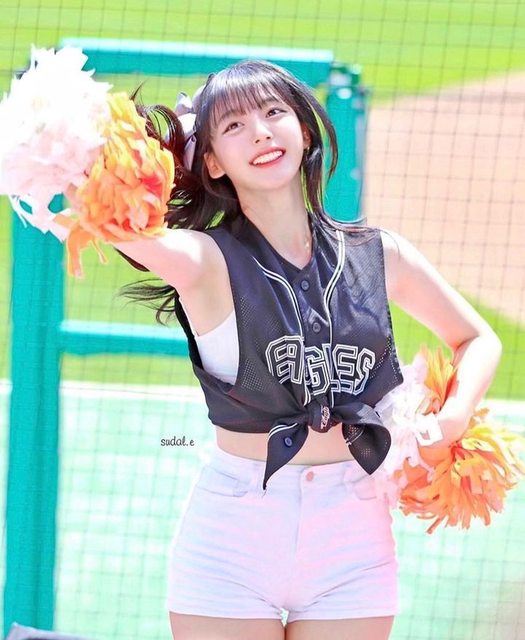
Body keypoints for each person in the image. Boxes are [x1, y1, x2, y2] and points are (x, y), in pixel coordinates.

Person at [47, 59, 501, 640]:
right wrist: (79, 163)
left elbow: (477, 338)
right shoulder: (205, 260)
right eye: (233, 126)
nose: (260, 133)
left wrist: (453, 420)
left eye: (273, 112)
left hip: (353, 538)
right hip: (234, 538)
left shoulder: (379, 254)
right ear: (213, 161)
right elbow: (132, 234)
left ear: (304, 132)